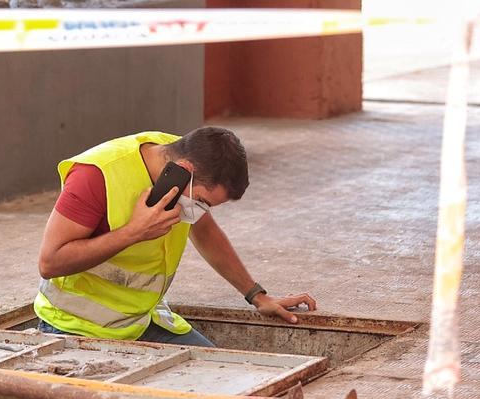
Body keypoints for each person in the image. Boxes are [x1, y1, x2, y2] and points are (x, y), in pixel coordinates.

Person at [34, 127, 316, 347]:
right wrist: (134, 232)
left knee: (219, 375)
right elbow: (50, 262)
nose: (201, 211)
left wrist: (256, 295)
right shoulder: (95, 176)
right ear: (185, 170)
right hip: (75, 326)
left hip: (143, 323)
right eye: (203, 200)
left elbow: (206, 231)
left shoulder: (178, 158)